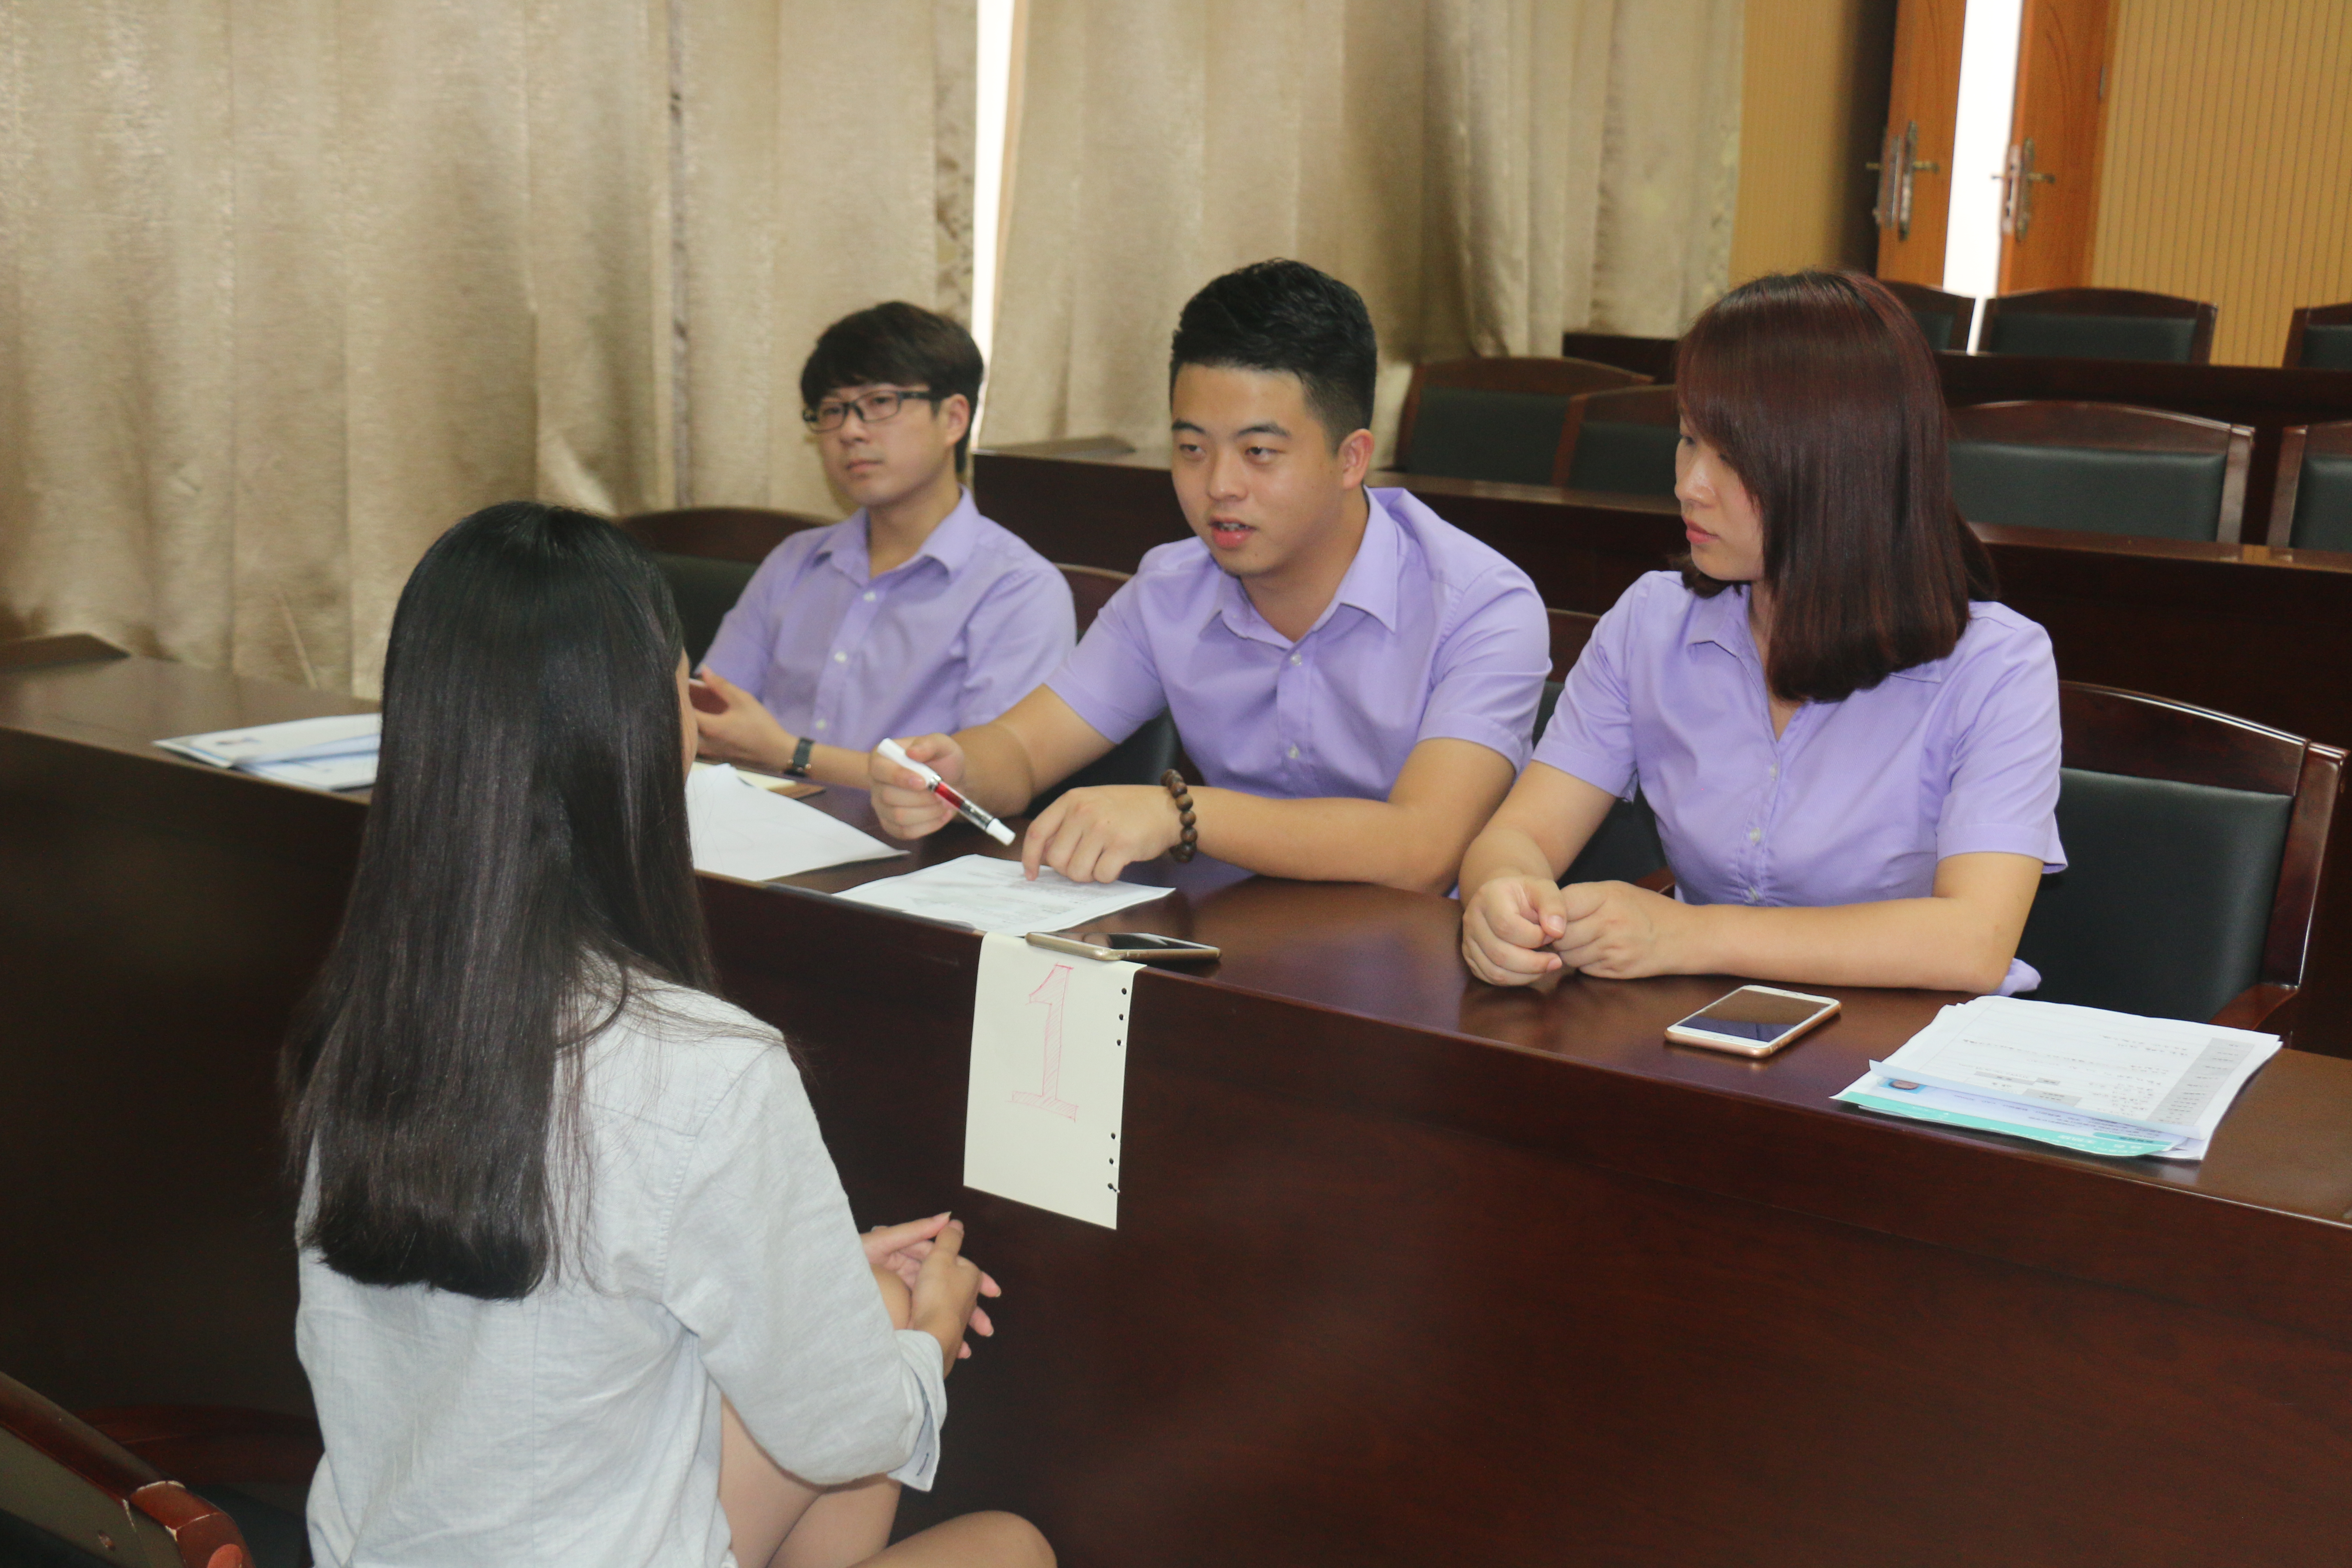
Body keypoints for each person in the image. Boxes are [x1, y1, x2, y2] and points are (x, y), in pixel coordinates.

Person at [283, 503, 1051, 1568]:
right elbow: (858, 1430)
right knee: (1008, 1545)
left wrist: (811, 1271)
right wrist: (929, 1336)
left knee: (856, 1308)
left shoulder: (374, 1014)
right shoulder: (704, 1067)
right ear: (635, 742)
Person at [1459, 271, 2063, 995]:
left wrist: (1687, 933)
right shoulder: (1651, 621)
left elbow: (1970, 941)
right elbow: (1519, 834)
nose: (1689, 484)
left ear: (1842, 469)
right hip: (1698, 1032)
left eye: (1733, 458)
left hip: (1905, 1056)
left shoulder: (1997, 664)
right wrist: (1502, 894)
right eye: (1687, 439)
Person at [868, 260, 1550, 894]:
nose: (1219, 486)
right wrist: (958, 769)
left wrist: (1181, 815)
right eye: (1192, 449)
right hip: (1233, 948)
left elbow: (1422, 849)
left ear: (1351, 459)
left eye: (1259, 453)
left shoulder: (1482, 606)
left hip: (1424, 968)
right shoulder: (1169, 589)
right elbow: (1021, 747)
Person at [692, 302, 1075, 788]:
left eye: (879, 404)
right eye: (833, 410)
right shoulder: (796, 560)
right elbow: (711, 709)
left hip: (916, 855)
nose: (850, 431)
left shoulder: (1019, 588)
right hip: (752, 826)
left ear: (954, 419)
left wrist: (791, 755)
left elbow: (979, 785)